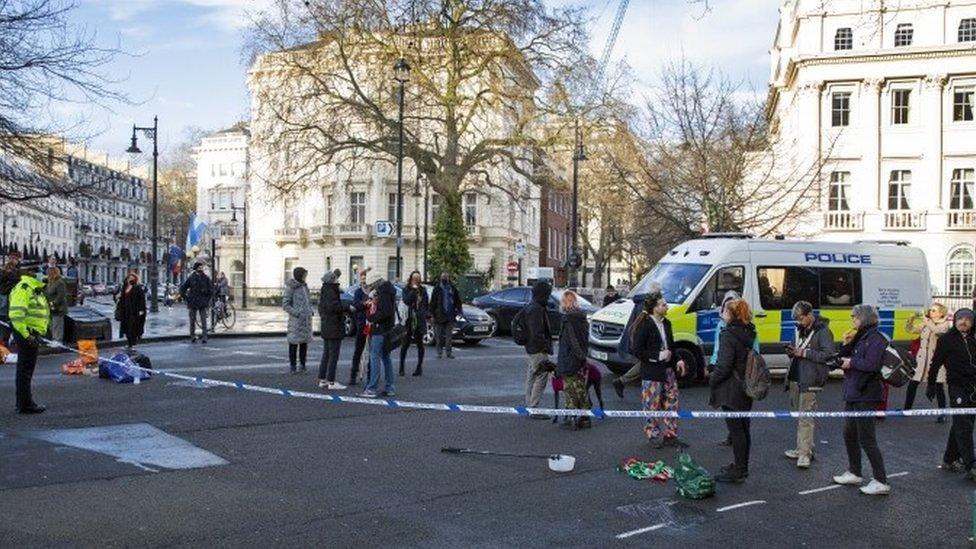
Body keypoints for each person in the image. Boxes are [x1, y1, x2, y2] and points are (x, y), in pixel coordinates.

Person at [832, 304, 890, 496]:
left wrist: (851, 362)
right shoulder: (860, 336)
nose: (852, 319)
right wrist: (845, 345)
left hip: (867, 393)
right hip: (854, 391)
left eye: (855, 316)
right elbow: (843, 356)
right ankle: (855, 472)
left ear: (864, 318)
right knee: (849, 433)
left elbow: (872, 364)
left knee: (867, 438)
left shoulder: (876, 338)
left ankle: (881, 480)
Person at [631, 291, 688, 448]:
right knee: (652, 405)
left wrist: (679, 359)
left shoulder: (667, 323)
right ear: (655, 308)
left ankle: (671, 435)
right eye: (663, 304)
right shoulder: (644, 325)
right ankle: (653, 435)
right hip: (651, 372)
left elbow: (672, 346)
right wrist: (657, 355)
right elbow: (637, 350)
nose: (666, 306)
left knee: (672, 403)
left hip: (668, 371)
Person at [709, 298, 756, 483]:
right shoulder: (749, 331)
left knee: (736, 429)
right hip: (745, 384)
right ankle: (741, 465)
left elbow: (724, 366)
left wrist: (712, 380)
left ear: (731, 314)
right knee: (744, 427)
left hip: (731, 388)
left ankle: (739, 469)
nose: (723, 314)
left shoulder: (728, 335)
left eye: (725, 311)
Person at [784, 301, 835, 469]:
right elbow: (795, 346)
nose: (798, 323)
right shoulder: (800, 329)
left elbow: (828, 355)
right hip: (796, 376)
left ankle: (805, 454)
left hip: (810, 379)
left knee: (806, 417)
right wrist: (791, 350)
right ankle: (803, 448)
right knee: (800, 416)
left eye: (800, 319)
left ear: (809, 315)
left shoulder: (823, 331)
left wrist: (804, 353)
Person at [927, 308, 976, 480]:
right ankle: (971, 464)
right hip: (957, 387)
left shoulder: (973, 339)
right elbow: (935, 363)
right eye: (961, 318)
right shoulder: (946, 340)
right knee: (964, 425)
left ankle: (949, 458)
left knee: (963, 421)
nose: (964, 321)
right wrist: (931, 385)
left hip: (973, 387)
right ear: (955, 320)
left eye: (968, 319)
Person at [8, 262, 48, 414]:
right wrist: (28, 335)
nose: (42, 273)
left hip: (31, 333)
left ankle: (24, 402)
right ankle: (25, 404)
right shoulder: (24, 287)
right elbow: (16, 315)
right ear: (31, 272)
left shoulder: (34, 288)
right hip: (27, 333)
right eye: (39, 270)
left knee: (26, 370)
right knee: (25, 370)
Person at [612, 281, 663, 399]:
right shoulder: (647, 305)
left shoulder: (643, 301)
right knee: (645, 363)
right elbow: (644, 325)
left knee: (644, 364)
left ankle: (627, 383)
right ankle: (622, 381)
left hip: (635, 338)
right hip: (639, 340)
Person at [904, 303, 951, 419]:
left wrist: (926, 321)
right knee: (912, 384)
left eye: (934, 311)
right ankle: (907, 409)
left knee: (939, 386)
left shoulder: (945, 325)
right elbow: (910, 330)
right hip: (922, 359)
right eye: (930, 310)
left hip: (936, 360)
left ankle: (942, 414)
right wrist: (910, 319)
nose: (931, 312)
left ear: (941, 313)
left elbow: (937, 331)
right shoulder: (926, 324)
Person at [556, 290, 591, 430]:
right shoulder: (582, 318)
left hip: (570, 358)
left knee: (570, 389)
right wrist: (583, 357)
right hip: (580, 357)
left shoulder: (568, 320)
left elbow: (572, 341)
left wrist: (579, 356)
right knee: (581, 388)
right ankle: (585, 417)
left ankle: (572, 418)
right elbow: (584, 338)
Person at [359, 272, 397, 398]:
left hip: (379, 329)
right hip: (388, 329)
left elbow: (383, 312)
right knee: (386, 357)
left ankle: (372, 388)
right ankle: (389, 387)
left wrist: (371, 316)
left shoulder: (383, 293)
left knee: (374, 357)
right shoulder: (389, 290)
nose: (371, 288)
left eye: (371, 285)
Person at [523, 280, 554, 419]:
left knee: (532, 376)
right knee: (541, 376)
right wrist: (545, 346)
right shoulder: (537, 309)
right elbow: (537, 333)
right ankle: (533, 407)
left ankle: (529, 404)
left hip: (531, 347)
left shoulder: (531, 306)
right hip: (538, 349)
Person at [318, 269, 349, 390]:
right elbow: (335, 307)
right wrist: (346, 306)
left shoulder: (324, 290)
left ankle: (322, 379)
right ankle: (331, 381)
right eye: (335, 278)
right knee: (333, 355)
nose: (337, 280)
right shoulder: (331, 290)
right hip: (334, 326)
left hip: (326, 325)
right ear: (332, 280)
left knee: (326, 354)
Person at [283, 267, 313, 374]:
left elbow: (308, 301)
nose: (305, 277)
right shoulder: (291, 288)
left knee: (304, 343)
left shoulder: (305, 286)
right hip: (296, 321)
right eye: (304, 275)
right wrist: (297, 313)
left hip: (305, 320)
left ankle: (302, 365)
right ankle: (293, 366)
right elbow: (285, 304)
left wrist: (311, 310)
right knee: (294, 343)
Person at [400, 270, 429, 377]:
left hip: (419, 319)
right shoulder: (406, 289)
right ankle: (401, 367)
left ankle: (419, 367)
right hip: (409, 319)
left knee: (420, 344)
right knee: (405, 344)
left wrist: (424, 314)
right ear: (411, 279)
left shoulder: (423, 290)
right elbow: (406, 301)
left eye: (418, 278)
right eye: (414, 278)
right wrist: (413, 290)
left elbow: (425, 304)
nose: (416, 281)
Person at [430, 272, 462, 359]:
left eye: (446, 277)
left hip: (450, 315)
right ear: (440, 278)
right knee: (438, 336)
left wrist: (459, 311)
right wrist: (432, 314)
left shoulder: (452, 288)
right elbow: (433, 302)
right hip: (439, 315)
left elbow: (458, 301)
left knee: (449, 337)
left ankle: (449, 352)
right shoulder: (437, 288)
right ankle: (439, 352)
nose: (444, 278)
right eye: (443, 277)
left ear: (448, 278)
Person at [348, 268, 372, 385]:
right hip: (362, 323)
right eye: (362, 277)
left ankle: (370, 375)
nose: (363, 280)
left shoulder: (373, 292)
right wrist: (364, 304)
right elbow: (355, 305)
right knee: (358, 350)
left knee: (372, 352)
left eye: (365, 277)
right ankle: (353, 374)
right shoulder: (358, 292)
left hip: (372, 324)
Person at [180, 262, 212, 343]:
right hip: (193, 302)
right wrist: (187, 299)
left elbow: (210, 290)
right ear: (196, 268)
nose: (201, 268)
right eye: (199, 267)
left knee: (204, 321)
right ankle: (192, 336)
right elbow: (182, 289)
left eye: (202, 267)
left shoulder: (206, 278)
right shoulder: (191, 278)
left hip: (202, 302)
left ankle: (204, 337)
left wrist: (207, 300)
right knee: (192, 321)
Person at [117, 272, 146, 350]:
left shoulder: (137, 288)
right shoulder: (125, 287)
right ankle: (129, 343)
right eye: (129, 278)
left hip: (134, 311)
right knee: (126, 327)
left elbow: (142, 300)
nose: (130, 279)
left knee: (133, 327)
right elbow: (122, 298)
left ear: (135, 280)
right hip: (125, 311)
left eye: (132, 278)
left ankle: (133, 344)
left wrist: (141, 310)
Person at [0, 252, 22, 347]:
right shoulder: (10, 275)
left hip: (7, 300)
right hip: (7, 299)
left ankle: (5, 341)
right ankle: (5, 341)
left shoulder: (9, 273)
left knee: (5, 321)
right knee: (7, 321)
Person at [44, 267, 68, 343]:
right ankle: (54, 339)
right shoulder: (50, 283)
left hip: (58, 307)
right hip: (51, 307)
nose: (47, 275)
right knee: (52, 325)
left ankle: (58, 340)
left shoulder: (60, 283)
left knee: (57, 325)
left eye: (48, 273)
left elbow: (61, 295)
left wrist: (54, 303)